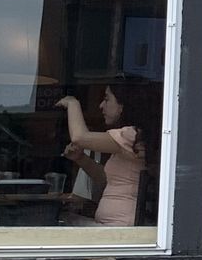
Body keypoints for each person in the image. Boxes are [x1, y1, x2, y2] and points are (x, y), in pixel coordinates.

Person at [56, 78, 158, 227]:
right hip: (115, 226)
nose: (101, 106)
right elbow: (107, 181)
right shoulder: (129, 139)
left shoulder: (131, 136)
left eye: (106, 99)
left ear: (123, 105)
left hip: (123, 228)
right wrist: (81, 158)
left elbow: (79, 137)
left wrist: (73, 104)